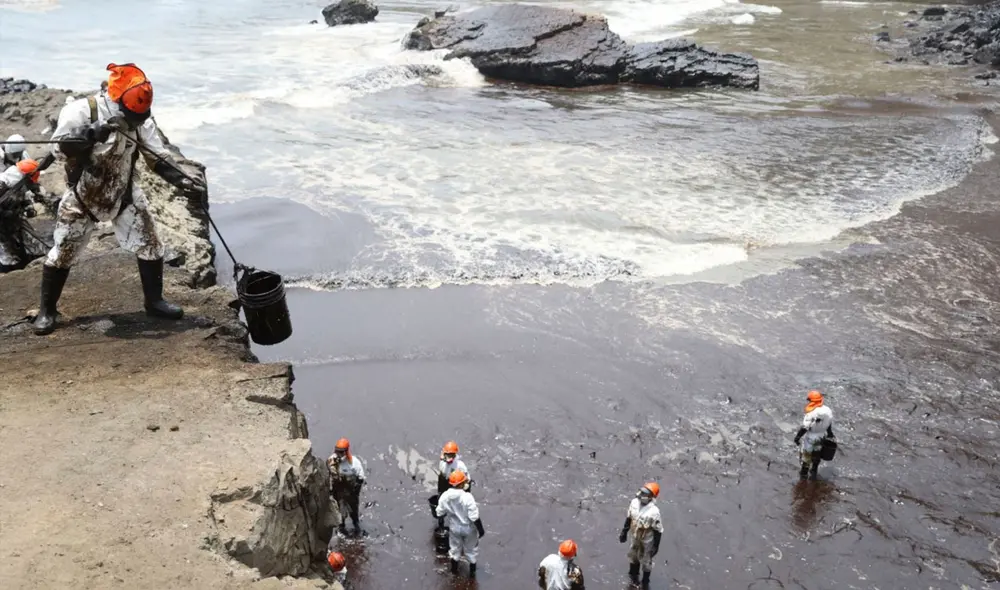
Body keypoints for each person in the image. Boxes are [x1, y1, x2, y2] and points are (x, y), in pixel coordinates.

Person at [31, 62, 207, 336]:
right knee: (63, 253)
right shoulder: (80, 111)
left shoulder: (140, 121)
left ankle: (154, 301)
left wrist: (182, 179)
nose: (136, 121)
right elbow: (60, 150)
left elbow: (157, 157)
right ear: (115, 101)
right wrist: (89, 136)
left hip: (123, 192)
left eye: (140, 116)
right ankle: (47, 310)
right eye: (130, 115)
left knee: (151, 245)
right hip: (83, 195)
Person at [0, 159, 50, 272]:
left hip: (11, 218)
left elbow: (23, 195)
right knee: (5, 245)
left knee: (24, 235)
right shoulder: (4, 184)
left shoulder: (17, 183)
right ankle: (8, 267)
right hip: (4, 220)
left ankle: (30, 255)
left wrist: (27, 206)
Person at [436, 470, 485, 578]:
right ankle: (472, 574)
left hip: (454, 527)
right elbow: (474, 517)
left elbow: (439, 512)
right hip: (468, 528)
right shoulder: (467, 497)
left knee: (454, 549)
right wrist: (481, 530)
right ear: (461, 484)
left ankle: (454, 572)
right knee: (471, 550)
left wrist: (440, 526)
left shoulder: (445, 496)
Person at [619, 482, 663, 588]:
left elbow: (658, 530)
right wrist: (624, 532)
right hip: (634, 536)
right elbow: (629, 518)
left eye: (645, 494)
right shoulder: (634, 503)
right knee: (633, 555)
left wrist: (655, 546)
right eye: (642, 492)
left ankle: (645, 581)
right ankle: (633, 577)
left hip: (647, 540)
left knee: (646, 560)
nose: (642, 495)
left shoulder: (654, 512)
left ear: (651, 497)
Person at [429, 440, 471, 529]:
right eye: (447, 454)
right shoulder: (442, 463)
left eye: (451, 455)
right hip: (445, 482)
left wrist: (465, 486)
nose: (449, 457)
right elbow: (442, 475)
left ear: (455, 454)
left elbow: (466, 479)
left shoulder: (460, 465)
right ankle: (441, 524)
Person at [793, 390, 835, 480]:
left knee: (807, 456)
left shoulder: (812, 413)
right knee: (817, 453)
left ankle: (804, 474)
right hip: (822, 436)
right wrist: (830, 433)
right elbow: (829, 423)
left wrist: (797, 437)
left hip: (811, 437)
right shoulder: (827, 410)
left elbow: (805, 427)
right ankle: (814, 471)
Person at [328, 438, 366, 536]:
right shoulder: (332, 461)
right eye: (337, 451)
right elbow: (328, 472)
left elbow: (361, 476)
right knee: (340, 511)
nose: (339, 454)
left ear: (346, 451)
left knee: (353, 510)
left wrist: (356, 487)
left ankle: (356, 525)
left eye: (341, 452)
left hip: (351, 491)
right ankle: (341, 528)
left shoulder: (354, 463)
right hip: (339, 491)